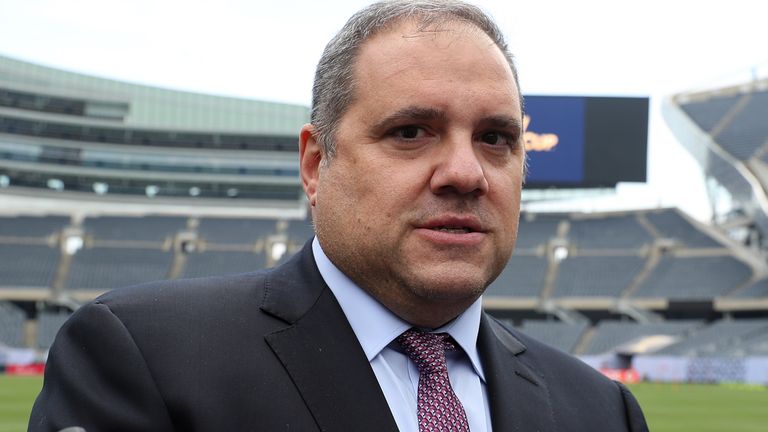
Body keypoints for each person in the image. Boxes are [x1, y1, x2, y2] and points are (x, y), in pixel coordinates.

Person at [29, 1, 648, 431]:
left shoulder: (600, 411)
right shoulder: (146, 356)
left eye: (495, 138)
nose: (466, 172)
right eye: (411, 131)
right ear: (315, 163)